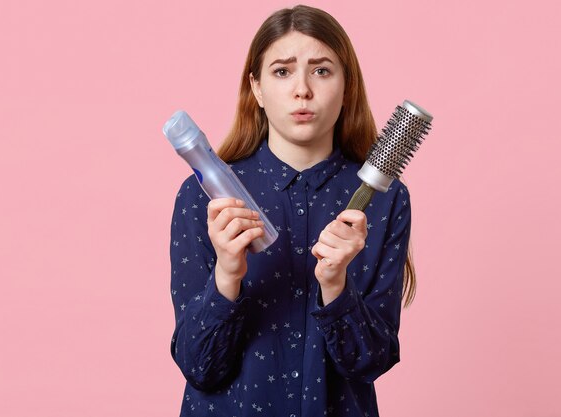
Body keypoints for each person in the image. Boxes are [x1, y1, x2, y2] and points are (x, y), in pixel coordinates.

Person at [169, 4, 416, 416]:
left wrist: (336, 286)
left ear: (346, 85)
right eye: (282, 71)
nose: (302, 89)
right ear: (258, 88)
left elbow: (370, 361)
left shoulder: (386, 199)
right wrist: (227, 275)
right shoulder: (206, 199)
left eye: (321, 70)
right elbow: (199, 366)